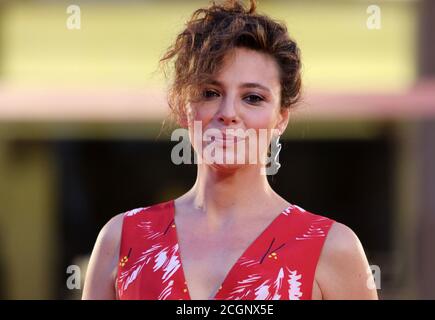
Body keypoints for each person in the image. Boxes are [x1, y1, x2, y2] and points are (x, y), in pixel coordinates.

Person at [82, 0, 378, 300]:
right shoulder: (122, 240)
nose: (228, 113)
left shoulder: (332, 248)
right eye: (210, 93)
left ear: (281, 118)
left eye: (252, 97)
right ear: (183, 108)